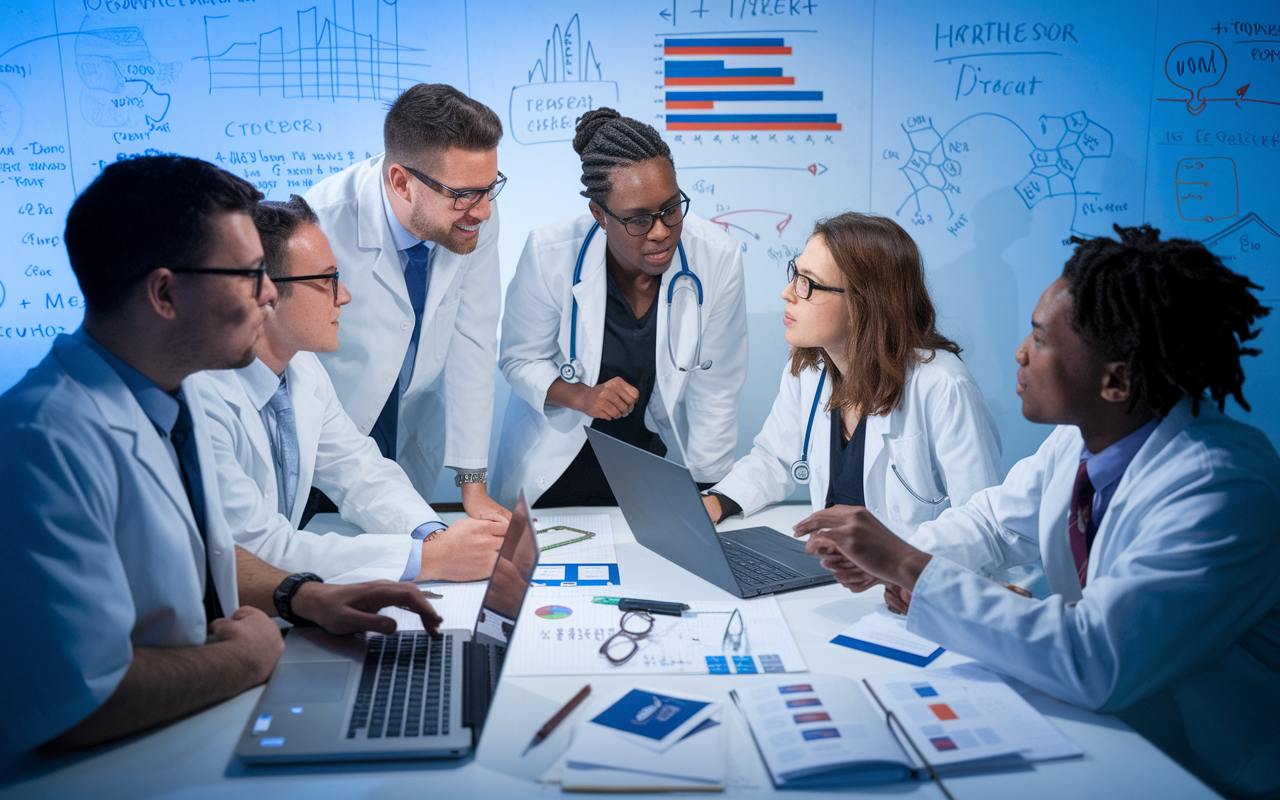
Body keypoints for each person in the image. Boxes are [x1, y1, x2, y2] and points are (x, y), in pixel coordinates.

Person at [797, 225, 1280, 799]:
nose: (1020, 354)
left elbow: (1095, 657)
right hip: (1119, 734)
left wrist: (911, 566)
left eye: (1042, 340)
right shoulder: (1084, 440)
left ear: (1117, 379)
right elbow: (994, 523)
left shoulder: (1220, 487)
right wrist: (889, 561)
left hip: (1212, 771)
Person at [0, 157, 439, 760]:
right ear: (164, 292)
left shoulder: (162, 399)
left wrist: (301, 597)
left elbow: (212, 551)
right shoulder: (42, 440)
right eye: (251, 274)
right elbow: (74, 700)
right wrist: (246, 658)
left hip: (183, 730)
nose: (266, 299)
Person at [195, 195, 506, 585]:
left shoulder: (301, 369)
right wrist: (426, 559)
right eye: (328, 281)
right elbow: (257, 550)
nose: (344, 296)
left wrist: (434, 535)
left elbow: (359, 470)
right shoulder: (203, 399)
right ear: (266, 294)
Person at [493, 108, 749, 508]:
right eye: (638, 220)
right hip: (555, 469)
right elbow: (518, 359)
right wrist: (581, 396)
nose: (661, 231)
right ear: (599, 214)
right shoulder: (550, 253)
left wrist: (708, 493)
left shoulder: (717, 257)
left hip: (649, 471)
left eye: (670, 209)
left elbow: (716, 389)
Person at [702, 213, 1003, 542]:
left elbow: (984, 522)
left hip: (911, 580)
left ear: (863, 302)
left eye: (808, 283)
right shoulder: (811, 370)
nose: (787, 292)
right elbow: (775, 457)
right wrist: (717, 503)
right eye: (795, 274)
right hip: (833, 569)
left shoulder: (942, 385)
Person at [304, 83, 508, 520]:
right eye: (463, 194)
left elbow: (473, 339)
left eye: (490, 188)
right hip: (325, 443)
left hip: (409, 429)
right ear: (401, 182)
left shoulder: (474, 217)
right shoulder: (320, 222)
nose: (483, 210)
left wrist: (473, 484)